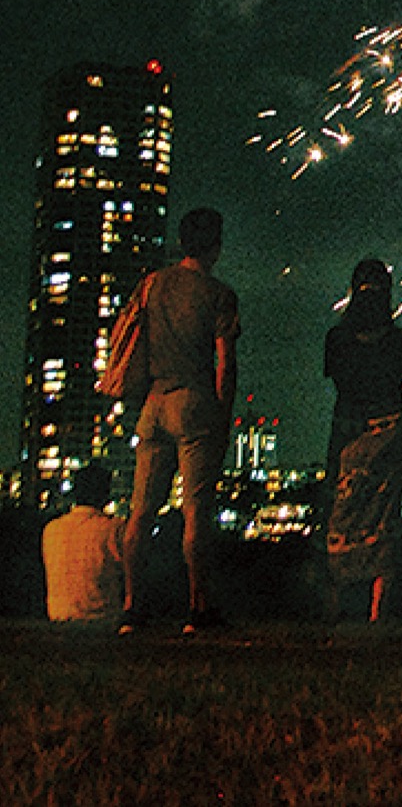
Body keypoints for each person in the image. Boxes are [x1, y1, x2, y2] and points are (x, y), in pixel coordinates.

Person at [121, 206, 239, 633]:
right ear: (215, 245)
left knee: (141, 511)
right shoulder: (218, 293)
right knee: (195, 512)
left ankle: (132, 606)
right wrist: (223, 415)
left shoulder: (153, 284)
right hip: (193, 402)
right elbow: (225, 362)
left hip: (153, 402)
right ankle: (197, 607)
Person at [324, 259, 402, 623]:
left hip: (348, 432)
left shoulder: (337, 339)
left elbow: (338, 381)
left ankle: (332, 606)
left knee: (338, 513)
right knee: (383, 519)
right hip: (391, 432)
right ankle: (377, 612)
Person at [42, 463, 125, 623]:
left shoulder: (51, 529)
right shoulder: (114, 529)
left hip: (59, 615)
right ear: (105, 493)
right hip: (103, 617)